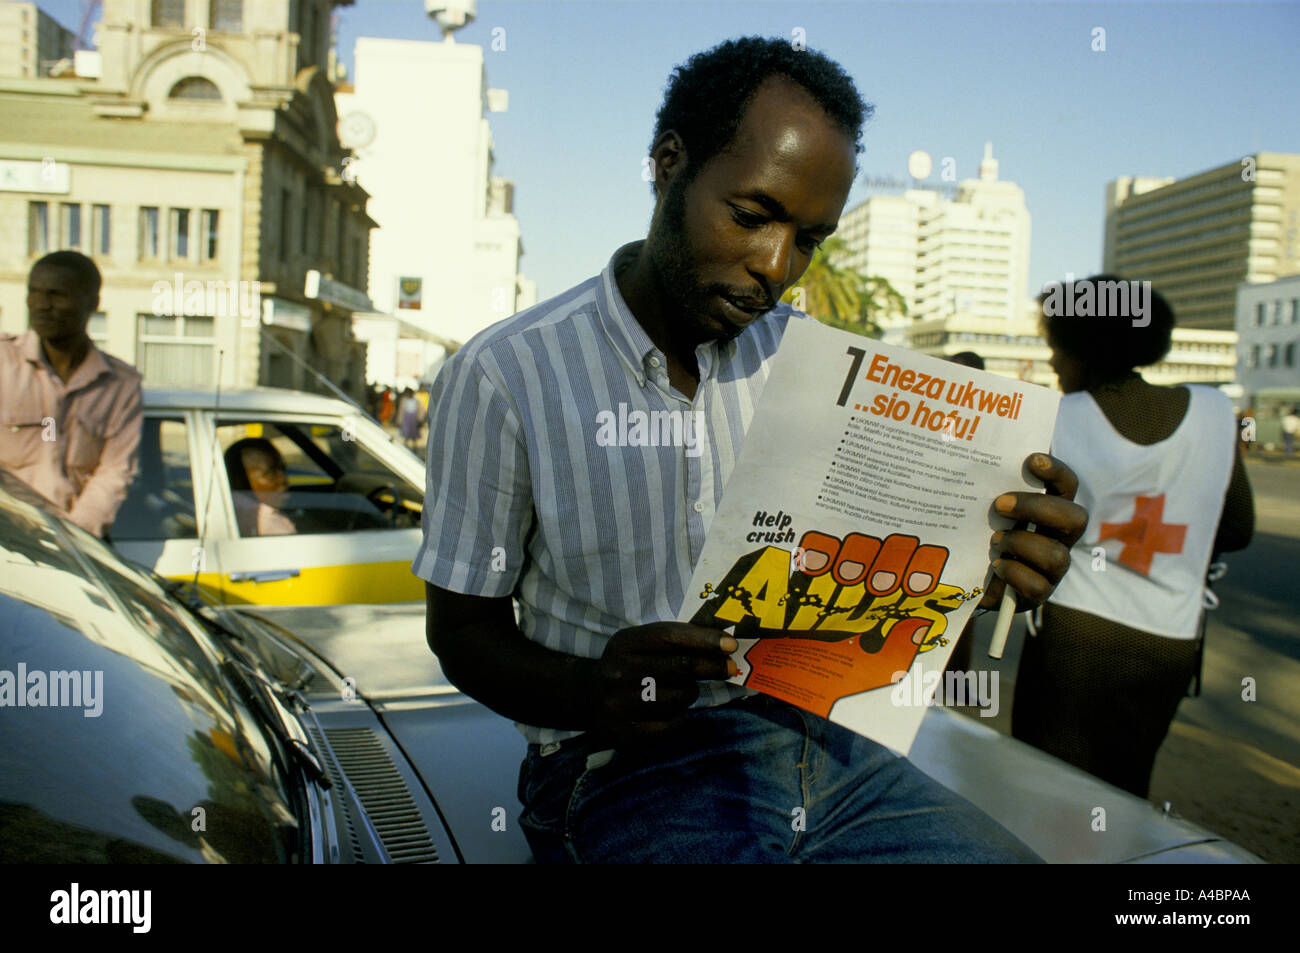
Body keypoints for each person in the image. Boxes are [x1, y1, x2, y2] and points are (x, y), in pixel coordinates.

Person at [415, 37, 1086, 863]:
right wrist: (595, 688)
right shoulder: (505, 375)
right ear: (669, 165)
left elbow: (864, 584)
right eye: (752, 214)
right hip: (620, 763)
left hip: (829, 749)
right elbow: (462, 631)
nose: (776, 266)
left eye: (808, 239)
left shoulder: (820, 367)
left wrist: (981, 564)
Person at [1012, 275, 1254, 798]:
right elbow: (1237, 528)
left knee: (1043, 784)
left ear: (1082, 346)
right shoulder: (1214, 411)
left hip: (1074, 634)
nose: (1052, 362)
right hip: (1169, 640)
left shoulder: (1057, 417)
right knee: (1126, 789)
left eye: (1055, 346)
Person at [0, 250, 142, 538]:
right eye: (34, 292)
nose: (41, 305)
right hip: (9, 537)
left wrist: (73, 538)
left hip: (81, 542)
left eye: (56, 295)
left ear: (93, 302)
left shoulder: (120, 384)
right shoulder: (4, 362)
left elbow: (115, 471)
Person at [224, 438, 296, 537]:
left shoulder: (228, 512)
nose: (283, 479)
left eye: (282, 469)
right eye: (270, 473)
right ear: (239, 481)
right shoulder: (272, 528)